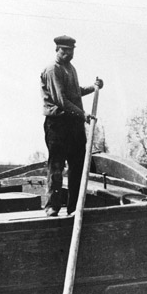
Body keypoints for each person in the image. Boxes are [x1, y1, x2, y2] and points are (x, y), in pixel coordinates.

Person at [40, 35, 104, 217]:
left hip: (74, 126)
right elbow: (62, 101)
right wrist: (83, 114)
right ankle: (52, 206)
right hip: (58, 124)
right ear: (57, 50)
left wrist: (94, 87)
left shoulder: (71, 69)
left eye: (71, 51)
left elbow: (75, 94)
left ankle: (74, 208)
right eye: (64, 51)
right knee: (57, 166)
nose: (68, 54)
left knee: (77, 167)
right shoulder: (52, 70)